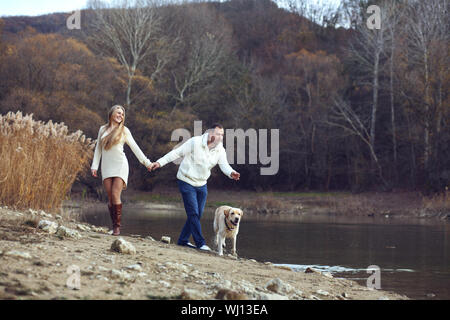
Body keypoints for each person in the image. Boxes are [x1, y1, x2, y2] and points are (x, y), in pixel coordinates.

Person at [150, 123, 240, 251]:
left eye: (222, 134)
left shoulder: (220, 149)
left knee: (197, 215)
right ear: (210, 133)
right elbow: (176, 153)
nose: (220, 137)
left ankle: (183, 240)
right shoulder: (195, 142)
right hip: (186, 180)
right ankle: (200, 243)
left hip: (201, 184)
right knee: (193, 213)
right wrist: (159, 162)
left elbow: (224, 165)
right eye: (217, 134)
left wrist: (231, 173)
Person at [91, 105, 152, 236]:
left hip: (120, 165)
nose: (120, 116)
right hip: (106, 166)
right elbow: (98, 149)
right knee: (110, 197)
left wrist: (147, 162)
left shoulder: (124, 130)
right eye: (118, 113)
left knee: (115, 194)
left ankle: (117, 228)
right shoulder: (102, 129)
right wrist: (94, 166)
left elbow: (135, 148)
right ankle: (113, 227)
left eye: (122, 114)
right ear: (111, 113)